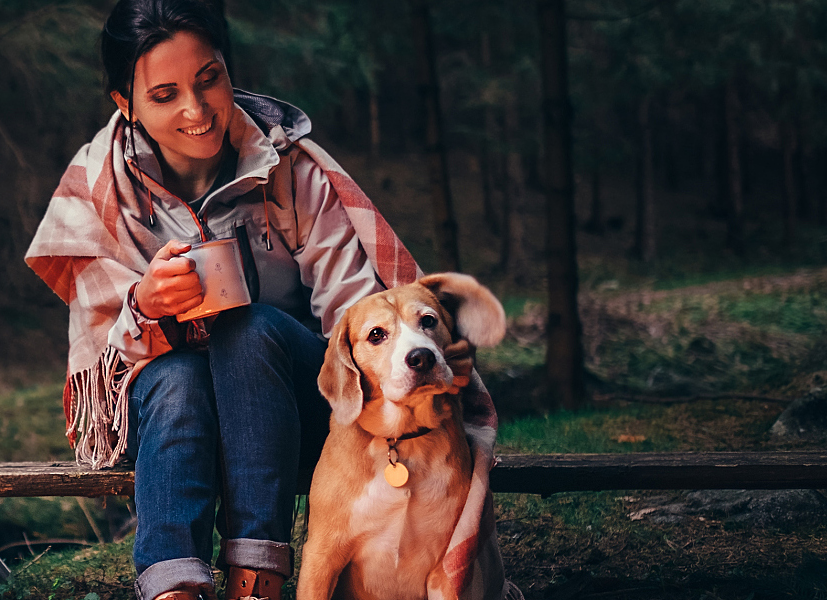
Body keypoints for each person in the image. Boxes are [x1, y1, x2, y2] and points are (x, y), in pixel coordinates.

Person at [25, 1, 500, 599]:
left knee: (247, 330)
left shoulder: (289, 169)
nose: (197, 111)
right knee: (177, 379)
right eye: (165, 94)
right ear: (126, 104)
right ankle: (175, 590)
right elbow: (106, 360)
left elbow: (358, 313)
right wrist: (144, 303)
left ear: (228, 69)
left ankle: (259, 580)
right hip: (174, 413)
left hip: (294, 404)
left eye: (209, 79)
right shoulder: (99, 189)